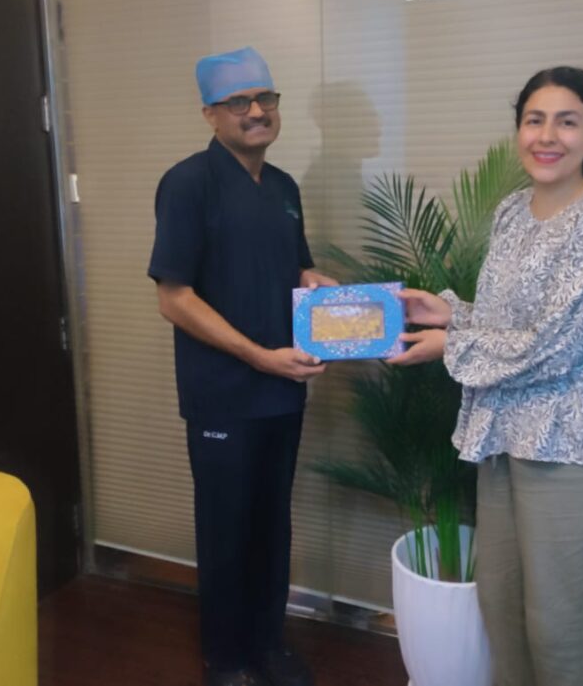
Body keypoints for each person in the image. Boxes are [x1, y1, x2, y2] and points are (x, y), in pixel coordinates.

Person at [388, 66, 583, 686]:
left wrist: (450, 344)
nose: (547, 135)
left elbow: (557, 346)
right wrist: (449, 312)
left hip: (568, 447)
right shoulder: (511, 212)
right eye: (535, 120)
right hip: (502, 436)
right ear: (518, 132)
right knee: (502, 611)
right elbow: (508, 324)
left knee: (558, 629)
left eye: (567, 122)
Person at [148, 46, 335, 686]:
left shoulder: (283, 188)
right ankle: (225, 658)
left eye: (266, 98)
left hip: (285, 388)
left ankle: (268, 643)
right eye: (238, 102)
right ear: (210, 113)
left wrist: (314, 282)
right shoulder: (188, 184)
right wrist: (258, 357)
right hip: (224, 394)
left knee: (272, 522)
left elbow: (294, 267)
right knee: (226, 527)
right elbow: (174, 298)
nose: (256, 111)